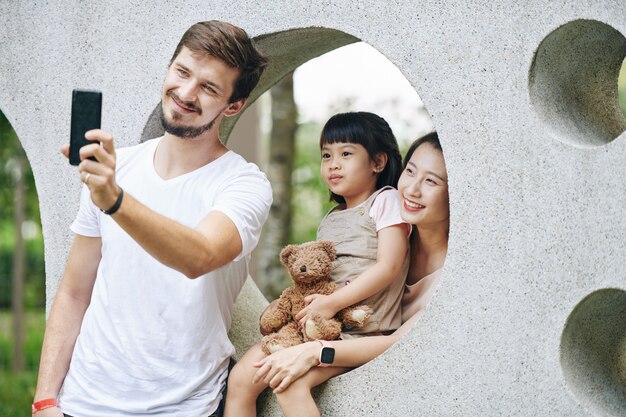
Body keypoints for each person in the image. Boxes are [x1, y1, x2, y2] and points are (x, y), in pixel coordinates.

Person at [32, 21, 271, 417]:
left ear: (234, 106)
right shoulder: (116, 168)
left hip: (183, 408)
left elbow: (200, 256)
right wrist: (44, 401)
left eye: (209, 88)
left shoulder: (244, 184)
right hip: (82, 403)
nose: (186, 93)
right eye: (182, 72)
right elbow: (75, 292)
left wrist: (115, 201)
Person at [224, 111, 411, 417]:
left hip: (360, 333)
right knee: (241, 378)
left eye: (346, 153)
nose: (333, 163)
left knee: (288, 382)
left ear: (378, 162)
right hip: (312, 329)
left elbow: (389, 266)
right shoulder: (331, 218)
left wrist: (331, 303)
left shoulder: (385, 201)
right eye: (326, 155)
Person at [249, 132, 448, 409]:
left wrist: (316, 351)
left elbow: (395, 344)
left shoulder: (452, 276)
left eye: (431, 181)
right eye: (410, 172)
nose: (412, 189)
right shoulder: (383, 239)